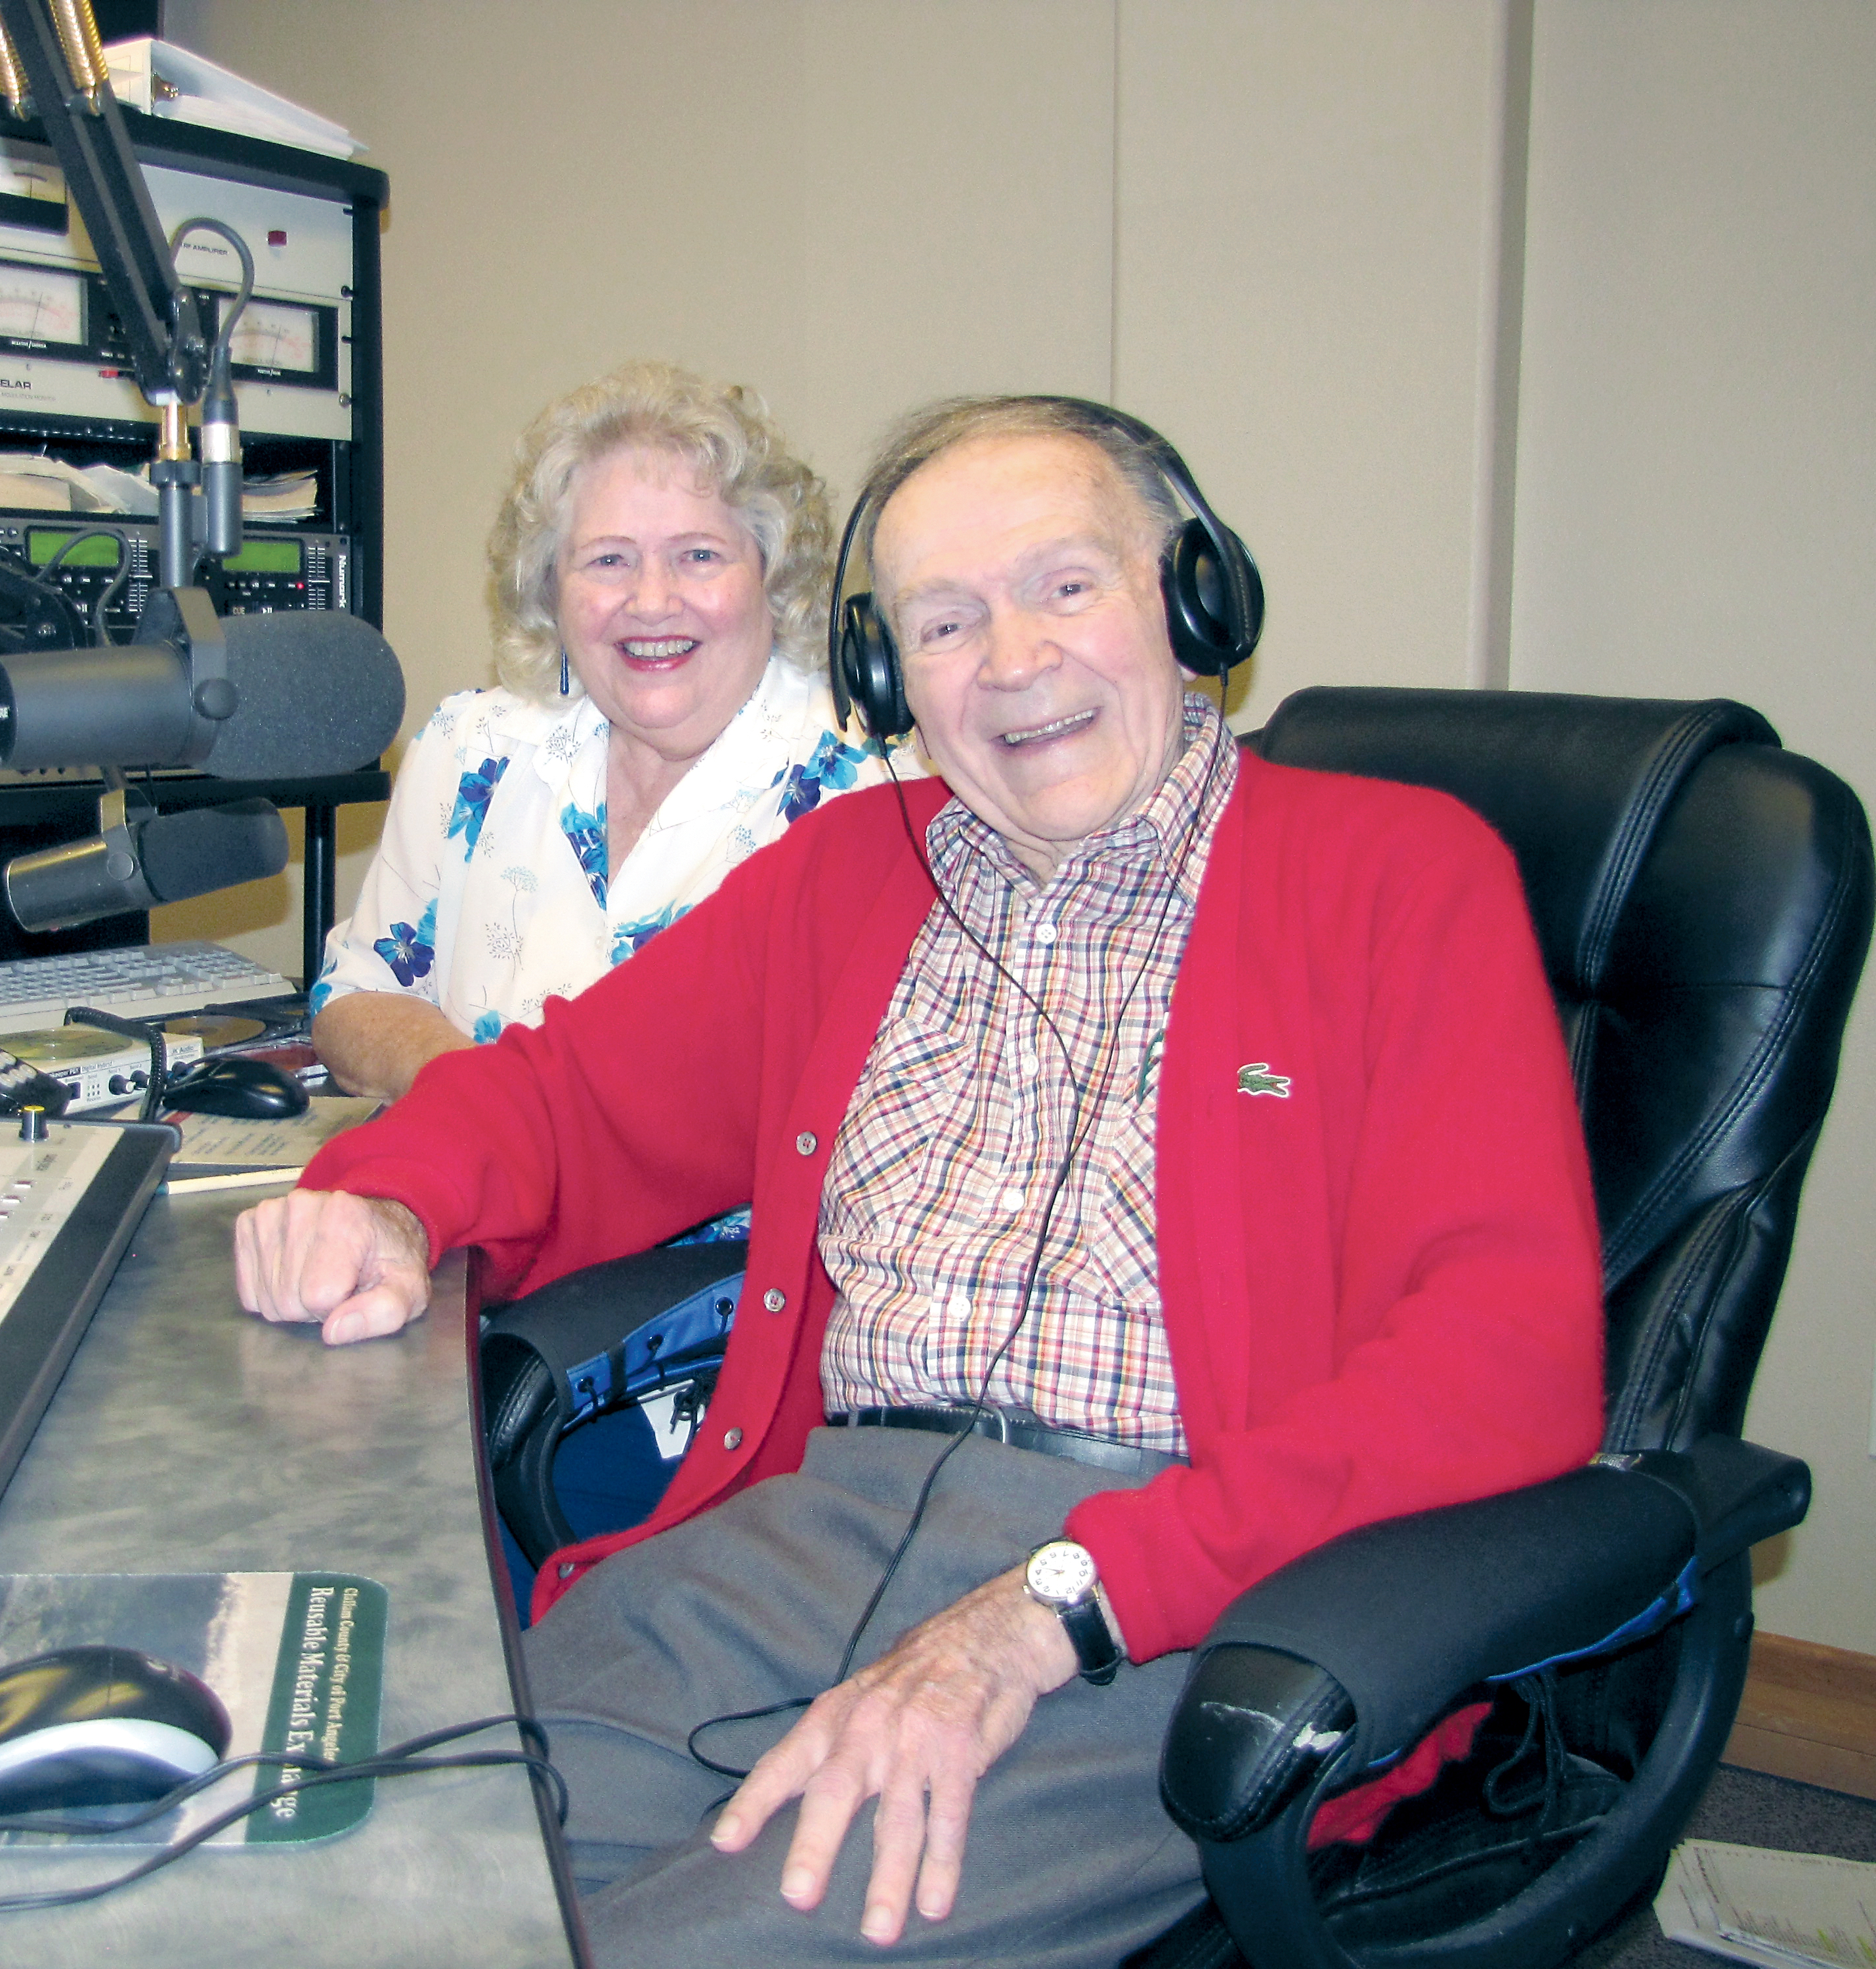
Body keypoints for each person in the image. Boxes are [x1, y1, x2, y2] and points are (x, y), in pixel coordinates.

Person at [233, 396, 1606, 1965]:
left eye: (1066, 587)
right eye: (946, 621)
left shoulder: (1392, 873)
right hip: (802, 1529)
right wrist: (393, 1200)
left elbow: (1508, 1354)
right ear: (892, 676)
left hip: (1182, 1594)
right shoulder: (848, 874)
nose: (1011, 659)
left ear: (1191, 594)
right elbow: (566, 1096)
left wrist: (1055, 1604)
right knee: (359, 1861)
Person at [309, 361, 891, 1101]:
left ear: (772, 577)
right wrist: (488, 1105)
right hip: (469, 1200)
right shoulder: (472, 748)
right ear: (550, 588)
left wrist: (530, 1137)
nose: (651, 601)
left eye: (699, 556)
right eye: (609, 560)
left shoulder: (865, 794)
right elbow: (354, 998)